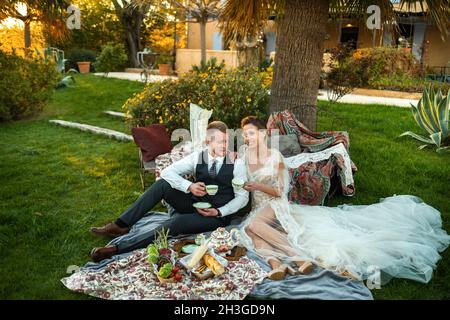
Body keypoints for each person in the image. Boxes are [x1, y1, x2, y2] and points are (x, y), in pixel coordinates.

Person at [238, 116, 450, 283]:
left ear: (264, 134)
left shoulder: (275, 157)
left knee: (255, 224)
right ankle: (277, 265)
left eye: (251, 133)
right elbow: (225, 168)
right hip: (258, 208)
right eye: (245, 134)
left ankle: (300, 258)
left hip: (275, 204)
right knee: (250, 229)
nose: (247, 138)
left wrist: (256, 186)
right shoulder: (243, 154)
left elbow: (280, 191)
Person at [89, 121, 249, 262]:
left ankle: (119, 248)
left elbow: (243, 198)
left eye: (227, 141)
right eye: (221, 142)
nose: (225, 145)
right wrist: (189, 186)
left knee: (175, 224)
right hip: (194, 203)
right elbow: (167, 172)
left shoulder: (237, 163)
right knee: (163, 185)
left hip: (217, 217)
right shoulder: (198, 156)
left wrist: (219, 212)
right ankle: (121, 225)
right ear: (208, 141)